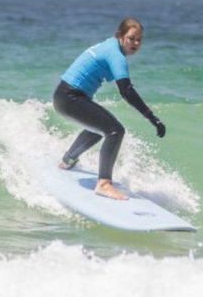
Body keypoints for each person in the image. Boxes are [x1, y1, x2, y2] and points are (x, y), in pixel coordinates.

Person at [53, 18, 165, 200]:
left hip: (63, 97)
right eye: (131, 38)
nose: (136, 43)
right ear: (120, 36)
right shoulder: (115, 55)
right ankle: (104, 183)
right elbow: (126, 90)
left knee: (98, 129)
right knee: (115, 131)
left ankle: (67, 161)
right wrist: (152, 118)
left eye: (139, 39)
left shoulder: (109, 46)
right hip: (70, 97)